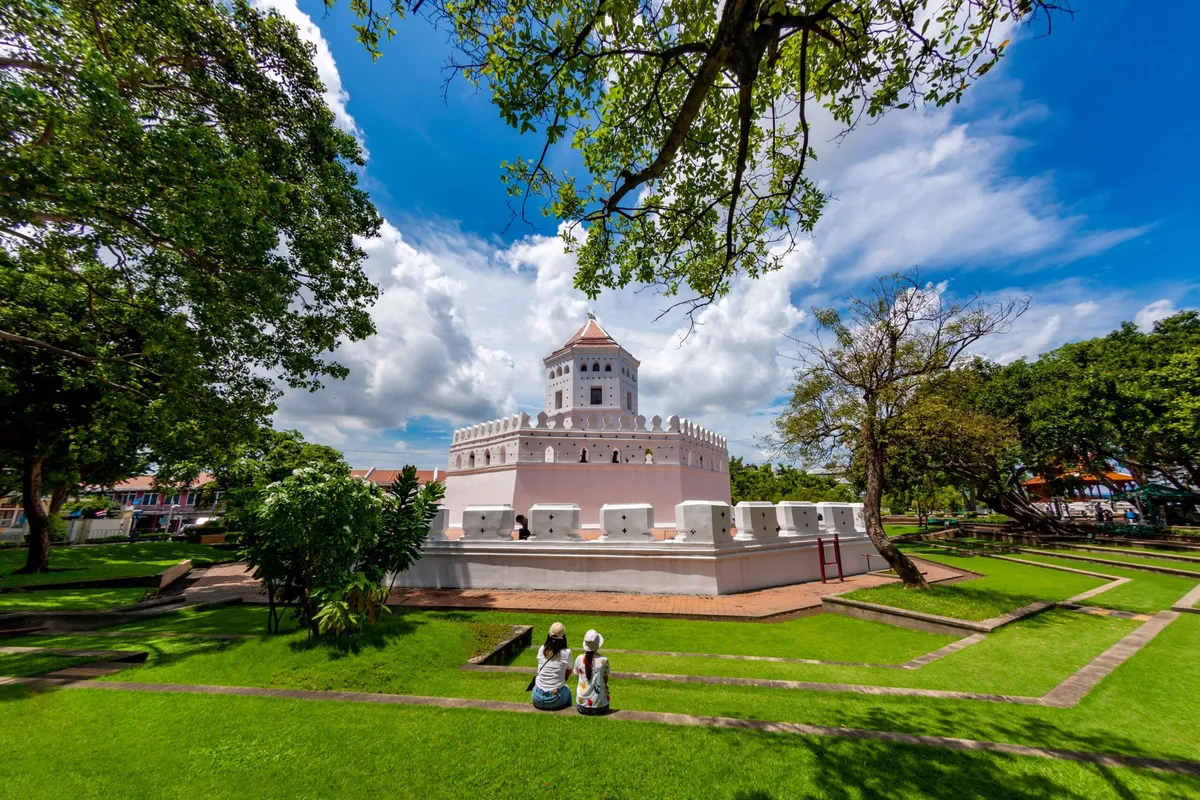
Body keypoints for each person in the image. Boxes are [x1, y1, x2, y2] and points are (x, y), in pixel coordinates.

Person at [531, 622, 572, 710]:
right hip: (555, 698)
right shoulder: (566, 652)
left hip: (537, 697)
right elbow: (569, 671)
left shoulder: (542, 649)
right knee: (567, 689)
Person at [573, 629, 610, 715]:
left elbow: (578, 677)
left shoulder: (579, 659)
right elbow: (605, 679)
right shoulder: (603, 660)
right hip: (600, 707)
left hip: (582, 705)